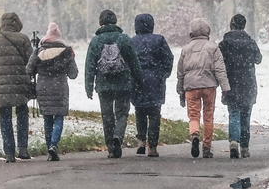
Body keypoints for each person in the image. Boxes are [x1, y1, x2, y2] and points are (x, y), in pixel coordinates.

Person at [85, 9, 143, 159]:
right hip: (123, 83)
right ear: (115, 21)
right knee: (122, 114)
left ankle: (111, 147)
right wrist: (139, 80)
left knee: (107, 116)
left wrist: (89, 86)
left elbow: (90, 65)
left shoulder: (96, 41)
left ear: (100, 22)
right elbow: (134, 62)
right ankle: (118, 136)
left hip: (104, 85)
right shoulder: (124, 39)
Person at [0, 12, 33, 162]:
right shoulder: (23, 39)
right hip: (20, 83)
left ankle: (9, 152)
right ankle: (23, 149)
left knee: (5, 117)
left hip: (1, 86)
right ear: (17, 24)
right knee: (22, 113)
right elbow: (31, 61)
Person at [176, 18, 230, 159]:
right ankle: (206, 147)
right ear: (207, 30)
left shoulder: (186, 49)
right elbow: (220, 70)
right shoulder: (213, 47)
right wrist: (225, 88)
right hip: (209, 86)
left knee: (194, 115)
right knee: (208, 116)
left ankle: (194, 134)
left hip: (191, 86)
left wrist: (180, 90)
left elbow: (180, 73)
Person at [26, 22, 79, 161]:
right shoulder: (67, 51)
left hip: (43, 88)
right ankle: (54, 145)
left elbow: (29, 70)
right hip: (60, 87)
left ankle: (49, 146)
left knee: (47, 117)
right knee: (59, 117)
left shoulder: (39, 51)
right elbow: (73, 74)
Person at [130, 13, 174, 158]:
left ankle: (141, 140)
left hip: (138, 79)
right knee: (155, 113)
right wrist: (164, 73)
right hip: (155, 79)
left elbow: (128, 60)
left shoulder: (133, 41)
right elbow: (169, 58)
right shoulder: (159, 40)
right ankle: (153, 146)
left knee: (140, 110)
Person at [218, 14, 262, 159]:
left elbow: (219, 61)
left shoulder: (224, 44)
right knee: (246, 115)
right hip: (248, 82)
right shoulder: (250, 43)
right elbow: (258, 59)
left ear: (231, 25)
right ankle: (244, 146)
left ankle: (233, 142)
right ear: (244, 25)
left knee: (234, 113)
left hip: (231, 81)